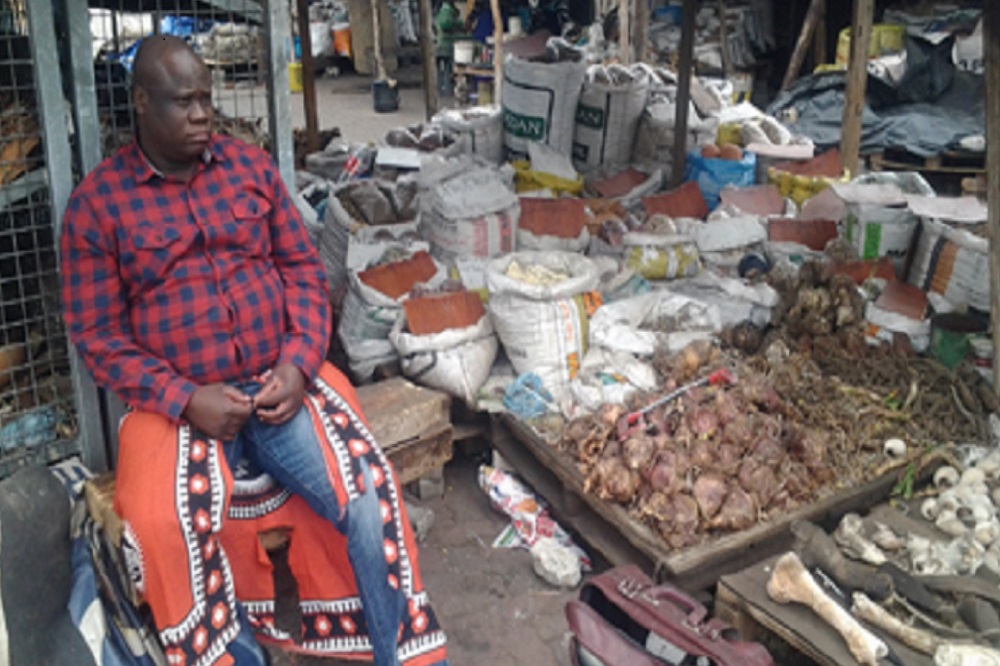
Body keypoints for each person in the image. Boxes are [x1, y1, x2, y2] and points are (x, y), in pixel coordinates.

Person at [60, 35, 448, 666]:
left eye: (206, 99)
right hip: (179, 405)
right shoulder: (98, 205)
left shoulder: (249, 169)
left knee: (367, 498)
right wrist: (186, 398)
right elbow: (98, 337)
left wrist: (298, 363)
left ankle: (400, 656)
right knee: (161, 527)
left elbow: (302, 270)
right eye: (183, 102)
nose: (202, 115)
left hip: (278, 383)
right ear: (141, 102)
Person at [434, 0, 467, 97]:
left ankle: (442, 90)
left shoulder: (446, 9)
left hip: (441, 45)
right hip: (445, 46)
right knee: (447, 70)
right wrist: (458, 24)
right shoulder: (446, 9)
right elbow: (445, 24)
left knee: (442, 71)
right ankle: (446, 91)